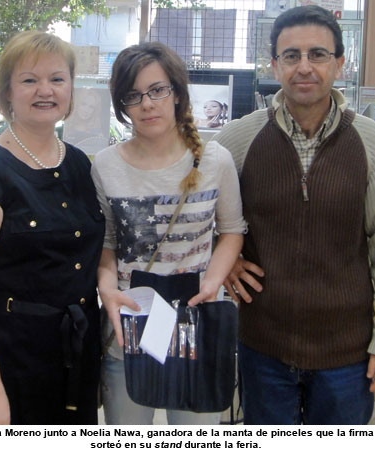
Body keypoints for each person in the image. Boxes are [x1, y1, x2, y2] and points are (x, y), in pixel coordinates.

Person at [213, 5, 375, 425]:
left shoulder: (372, 142)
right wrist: (222, 254)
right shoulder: (238, 139)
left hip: (346, 355)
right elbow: (199, 216)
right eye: (291, 55)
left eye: (318, 54)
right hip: (262, 347)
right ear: (275, 65)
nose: (304, 66)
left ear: (339, 64)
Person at [0, 30, 105, 425]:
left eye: (57, 78)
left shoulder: (78, 163)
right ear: (8, 92)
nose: (45, 90)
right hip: (11, 361)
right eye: (29, 80)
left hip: (76, 353)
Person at [91, 41, 246, 425]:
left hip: (196, 323)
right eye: (133, 95)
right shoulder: (105, 166)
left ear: (177, 93)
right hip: (129, 325)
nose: (147, 104)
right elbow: (106, 242)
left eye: (157, 90)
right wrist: (107, 289)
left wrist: (213, 281)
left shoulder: (215, 160)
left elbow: (231, 231)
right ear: (122, 105)